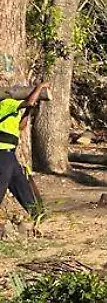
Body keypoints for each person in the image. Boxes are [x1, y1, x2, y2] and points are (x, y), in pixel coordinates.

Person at [0, 82, 49, 218]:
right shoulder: (6, 103)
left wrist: (28, 112)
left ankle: (38, 215)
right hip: (3, 154)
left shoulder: (11, 112)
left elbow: (21, 126)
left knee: (21, 184)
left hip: (9, 154)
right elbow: (30, 102)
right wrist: (39, 88)